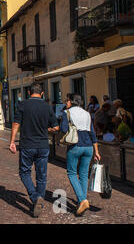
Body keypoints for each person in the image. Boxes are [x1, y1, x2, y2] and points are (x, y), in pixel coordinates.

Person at [9, 83, 59, 218]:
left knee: (24, 172)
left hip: (27, 145)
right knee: (41, 175)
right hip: (43, 145)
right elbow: (56, 128)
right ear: (42, 93)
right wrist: (45, 129)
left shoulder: (23, 105)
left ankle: (35, 197)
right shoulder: (47, 107)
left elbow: (16, 123)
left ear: (29, 92)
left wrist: (12, 141)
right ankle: (40, 199)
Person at [61, 93, 101, 216]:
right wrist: (97, 151)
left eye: (67, 100)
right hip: (88, 147)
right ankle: (81, 202)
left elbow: (63, 129)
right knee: (84, 175)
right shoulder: (87, 113)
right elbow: (92, 133)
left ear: (71, 101)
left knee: (72, 173)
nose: (66, 102)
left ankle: (82, 200)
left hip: (75, 145)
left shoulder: (67, 113)